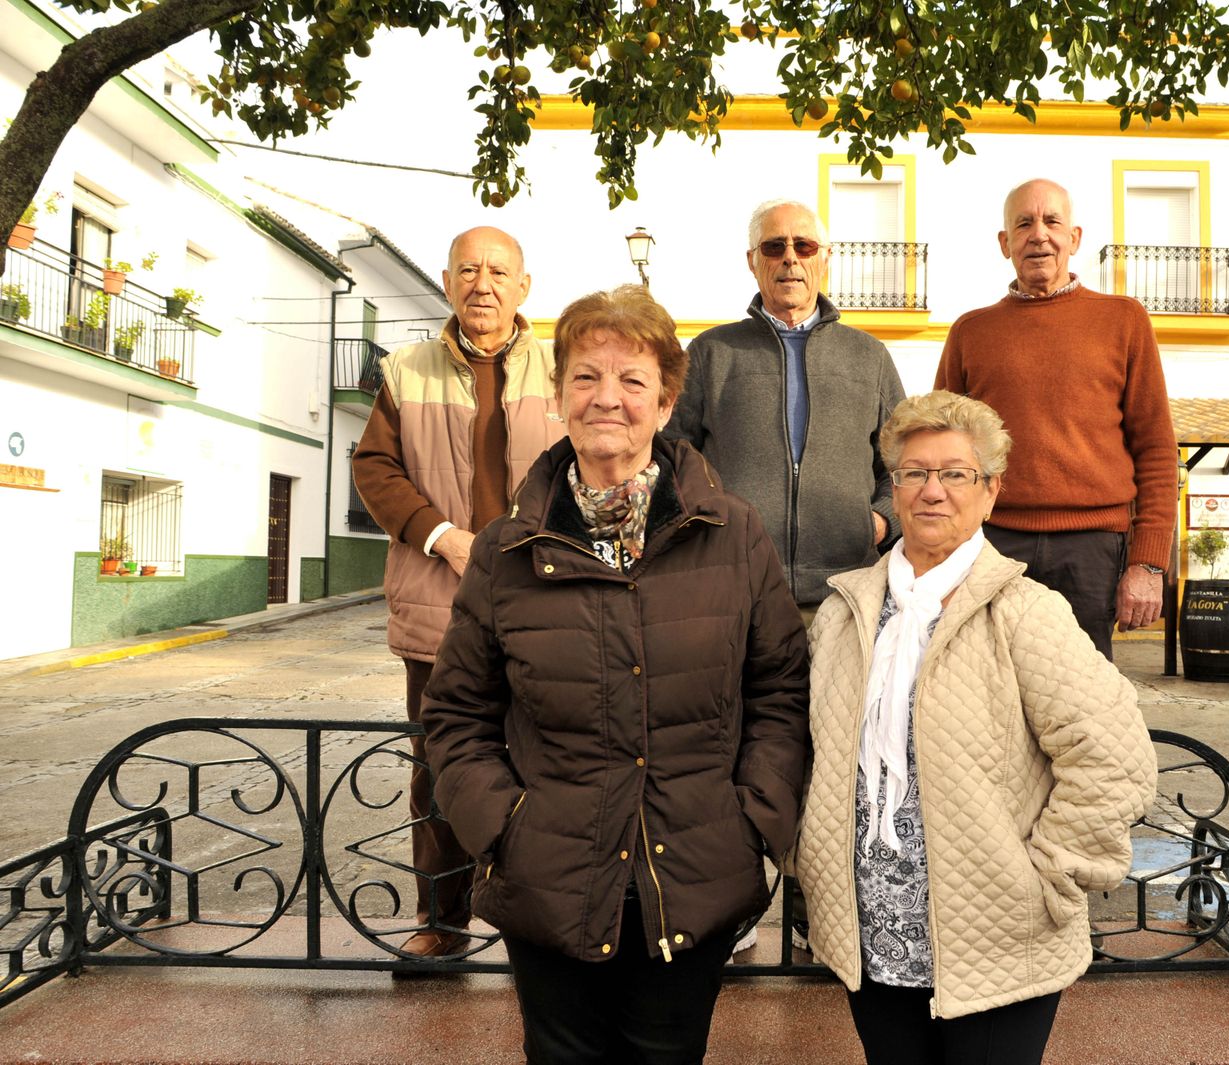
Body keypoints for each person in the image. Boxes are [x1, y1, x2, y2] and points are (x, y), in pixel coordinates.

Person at [421, 286, 809, 1065]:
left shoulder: (732, 533)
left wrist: (752, 820)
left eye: (633, 381)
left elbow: (780, 691)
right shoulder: (506, 549)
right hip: (550, 875)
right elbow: (456, 714)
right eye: (587, 377)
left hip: (695, 871)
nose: (609, 399)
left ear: (666, 404)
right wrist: (504, 828)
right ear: (560, 397)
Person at [794, 391, 1157, 1065]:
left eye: (955, 474)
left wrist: (1047, 876)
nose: (933, 490)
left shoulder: (1025, 612)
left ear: (990, 492)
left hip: (997, 938)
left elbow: (1116, 759)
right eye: (915, 472)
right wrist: (809, 861)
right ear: (894, 489)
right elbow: (812, 756)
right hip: (875, 936)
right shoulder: (844, 613)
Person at [352, 225, 564, 959]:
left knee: (546, 767)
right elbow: (375, 470)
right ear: (447, 283)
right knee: (440, 769)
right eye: (468, 270)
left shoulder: (564, 366)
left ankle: (535, 926)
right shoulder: (404, 370)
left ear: (524, 286)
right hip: (438, 608)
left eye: (499, 271)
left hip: (546, 610)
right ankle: (440, 922)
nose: (483, 284)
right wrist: (442, 535)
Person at [934, 178, 1177, 660]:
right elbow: (942, 448)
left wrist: (1149, 563)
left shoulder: (1124, 320)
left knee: (1083, 700)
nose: (1038, 234)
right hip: (991, 543)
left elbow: (1155, 447)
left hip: (1092, 551)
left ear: (1075, 238)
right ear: (1005, 243)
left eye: (1052, 222)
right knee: (984, 691)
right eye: (1023, 223)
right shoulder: (970, 331)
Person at [665, 198, 906, 614]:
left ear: (825, 259)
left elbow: (904, 462)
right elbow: (671, 457)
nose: (790, 258)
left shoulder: (869, 356)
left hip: (847, 592)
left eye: (805, 247)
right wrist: (706, 527)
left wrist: (881, 520)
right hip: (735, 589)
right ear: (752, 261)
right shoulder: (712, 352)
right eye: (774, 247)